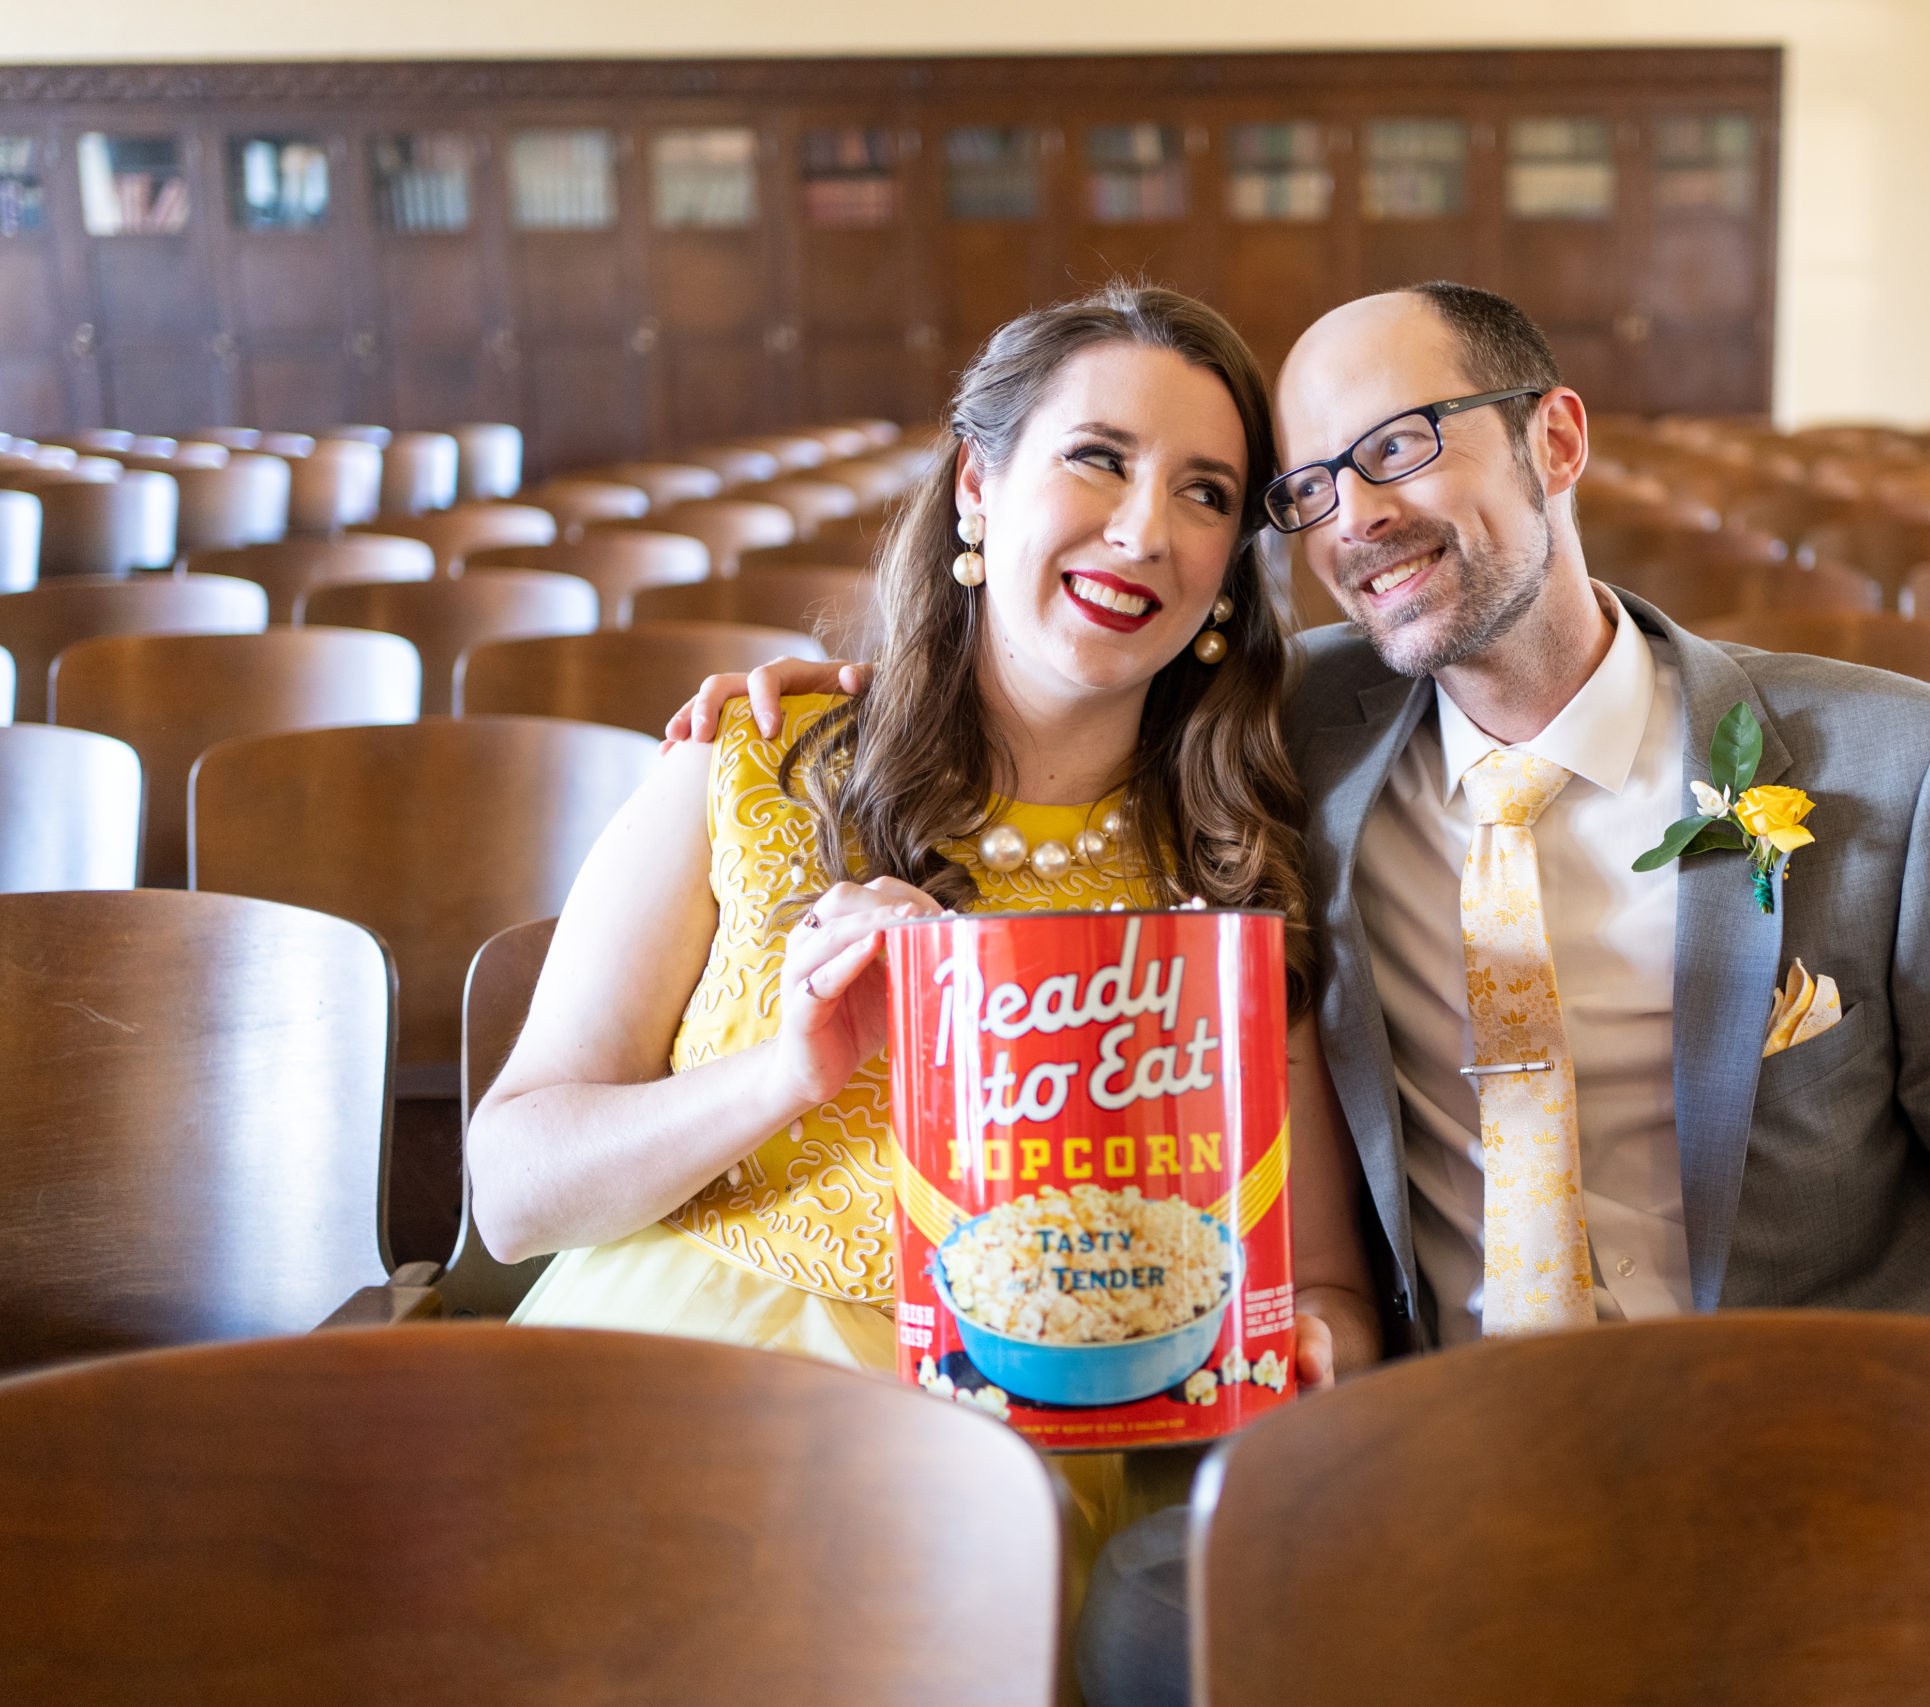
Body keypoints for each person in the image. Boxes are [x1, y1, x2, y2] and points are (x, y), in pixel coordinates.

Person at [678, 280, 1930, 1707]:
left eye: (1402, 445)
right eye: (1307, 488)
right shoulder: (1283, 740)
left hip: (1795, 1436)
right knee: (1155, 1611)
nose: (1357, 517)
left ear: (1557, 440)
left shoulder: (1910, 764)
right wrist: (848, 697)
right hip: (1444, 1446)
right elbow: (1049, 679)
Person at [467, 283, 1380, 1659]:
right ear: (976, 485)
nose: (1145, 529)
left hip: (1016, 1461)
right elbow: (511, 1196)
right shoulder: (751, 768)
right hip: (676, 1383)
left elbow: (1325, 1293)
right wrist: (783, 1075)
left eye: (1205, 493)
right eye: (1098, 458)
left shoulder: (1234, 877)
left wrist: (1302, 1352)